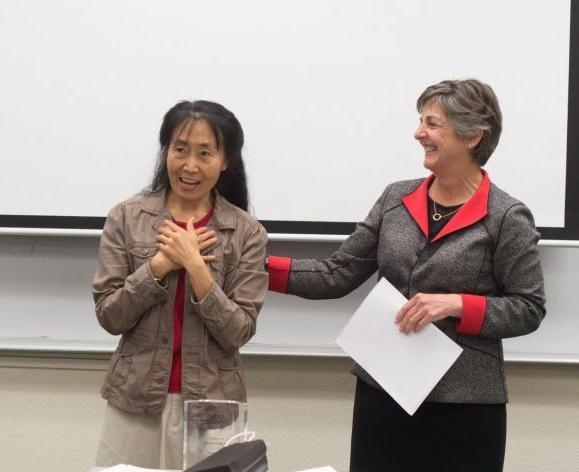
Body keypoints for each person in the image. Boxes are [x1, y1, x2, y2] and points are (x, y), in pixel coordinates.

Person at [267, 79, 546, 472]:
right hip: (384, 393)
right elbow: (337, 273)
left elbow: (529, 308)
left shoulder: (507, 216)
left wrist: (457, 304)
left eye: (432, 124)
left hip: (465, 407)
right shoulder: (395, 199)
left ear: (472, 137)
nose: (419, 133)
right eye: (420, 122)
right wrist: (253, 269)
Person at [92, 100, 268, 469]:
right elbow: (110, 316)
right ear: (166, 151)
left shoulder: (247, 232)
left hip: (213, 404)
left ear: (225, 161)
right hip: (134, 396)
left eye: (205, 153)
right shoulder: (126, 217)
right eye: (180, 150)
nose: (189, 165)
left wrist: (196, 268)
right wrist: (158, 265)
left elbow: (238, 331)